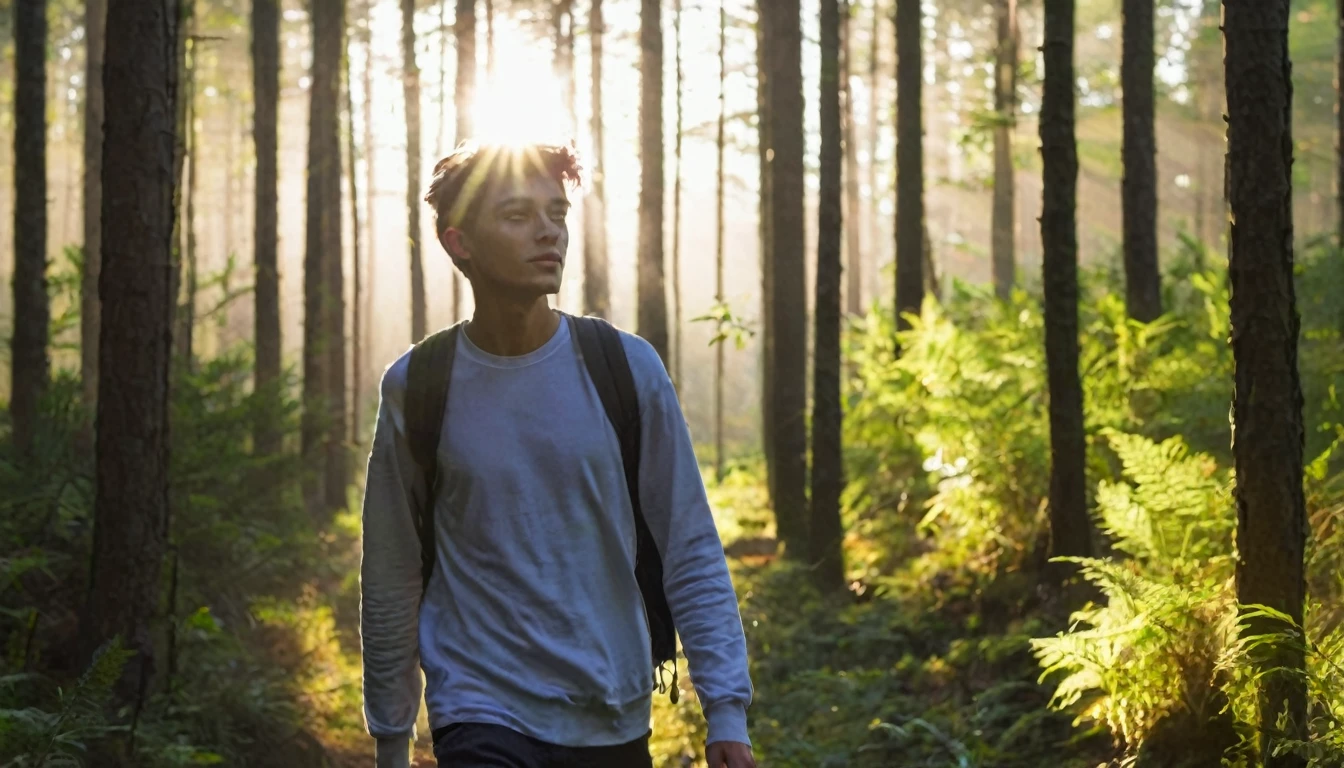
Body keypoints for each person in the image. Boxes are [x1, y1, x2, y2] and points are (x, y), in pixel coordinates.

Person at [358, 140, 757, 768]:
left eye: (557, 214)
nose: (548, 233)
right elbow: (391, 567)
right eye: (517, 217)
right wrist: (390, 737)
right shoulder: (418, 384)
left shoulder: (625, 368)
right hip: (478, 708)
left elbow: (689, 543)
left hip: (609, 706)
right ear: (458, 242)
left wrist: (726, 709)